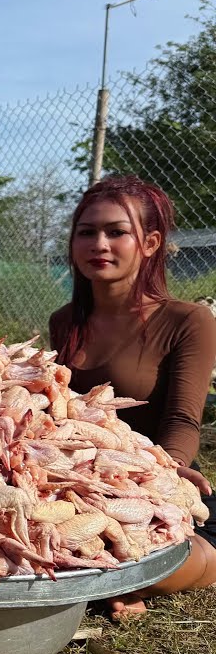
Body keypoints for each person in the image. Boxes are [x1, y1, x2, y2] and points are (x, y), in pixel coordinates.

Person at [48, 175, 216, 619]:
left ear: (150, 243)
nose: (99, 243)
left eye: (116, 232)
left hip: (163, 488)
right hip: (86, 486)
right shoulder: (64, 321)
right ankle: (111, 579)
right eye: (87, 232)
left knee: (151, 568)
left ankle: (142, 575)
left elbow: (183, 418)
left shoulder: (187, 320)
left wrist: (168, 473)